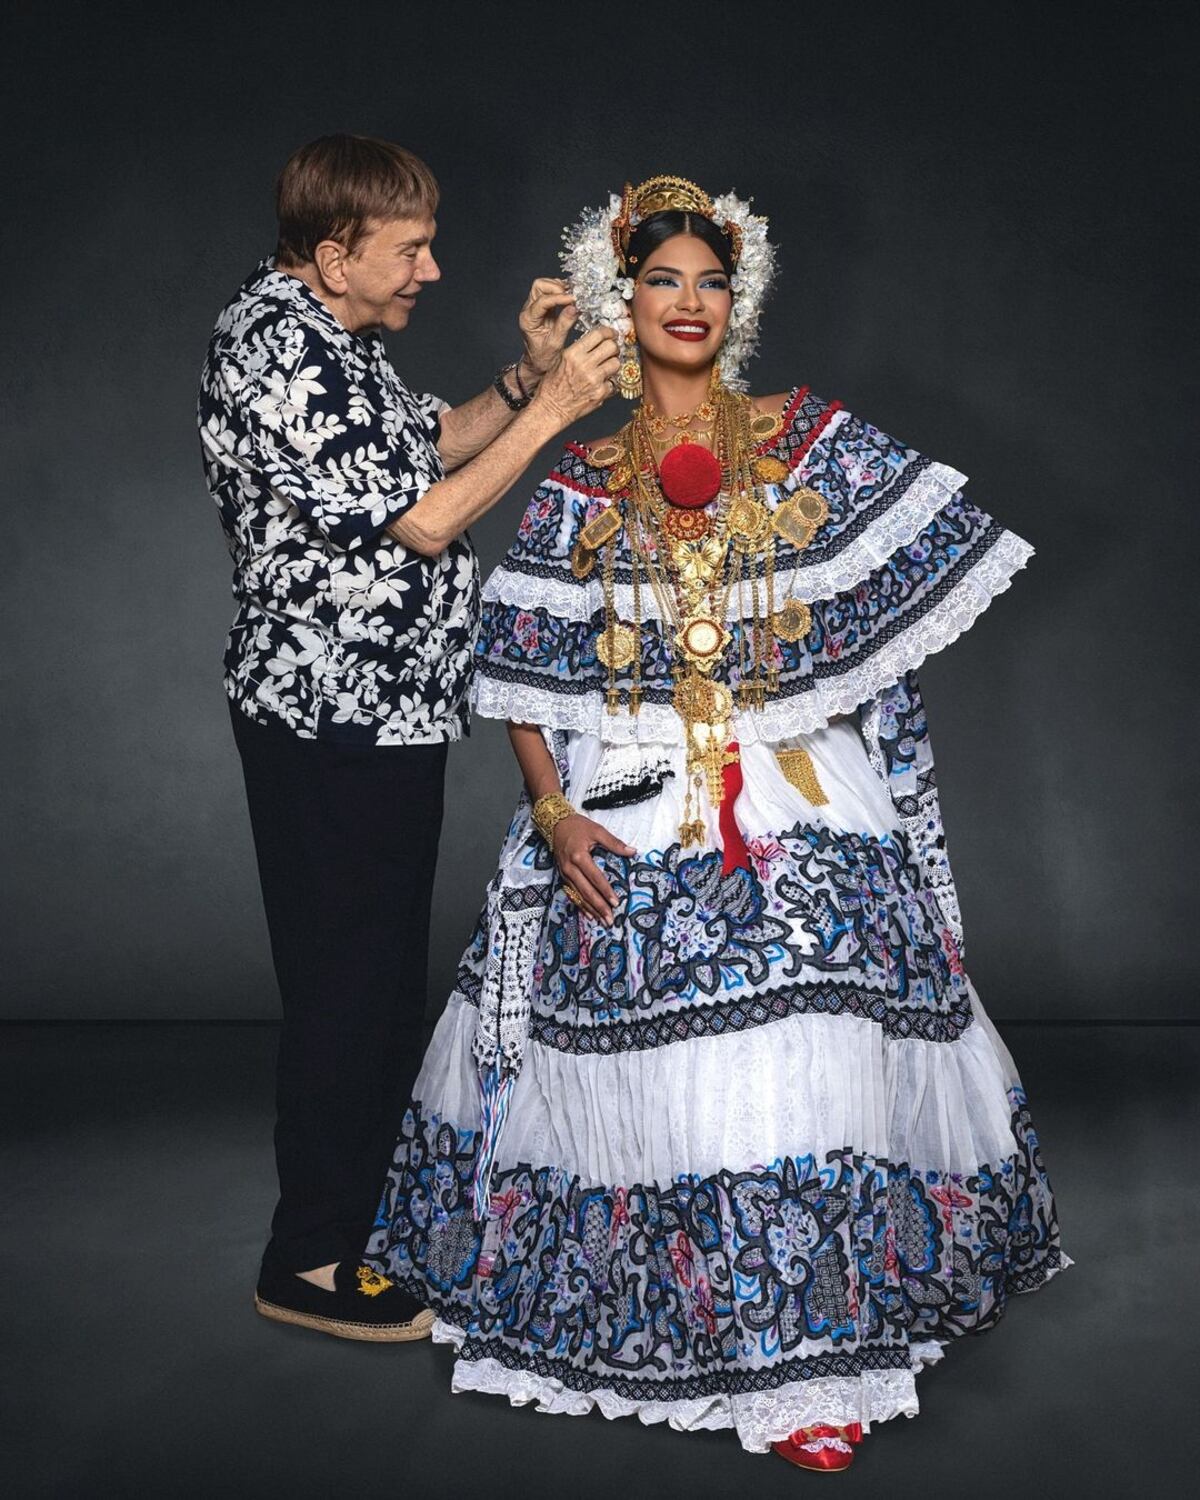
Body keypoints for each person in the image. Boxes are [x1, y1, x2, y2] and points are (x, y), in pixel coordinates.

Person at [366, 175, 1069, 1465]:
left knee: (824, 1003)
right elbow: (520, 663)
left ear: (731, 305)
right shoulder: (578, 473)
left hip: (793, 786)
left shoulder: (804, 439)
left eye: (709, 282)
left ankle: (810, 1359)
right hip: (623, 792)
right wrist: (554, 806)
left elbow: (900, 602)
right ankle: (713, 1315)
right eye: (661, 282)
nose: (688, 303)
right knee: (632, 1025)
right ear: (617, 305)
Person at [197, 135, 619, 1342]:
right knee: (347, 983)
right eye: (409, 248)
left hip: (386, 711)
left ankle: (352, 1229)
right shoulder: (272, 340)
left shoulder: (332, 339)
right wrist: (558, 412)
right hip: (328, 713)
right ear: (335, 256)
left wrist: (521, 379)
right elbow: (426, 523)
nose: (432, 269)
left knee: (376, 981)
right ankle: (308, 1262)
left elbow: (427, 448)